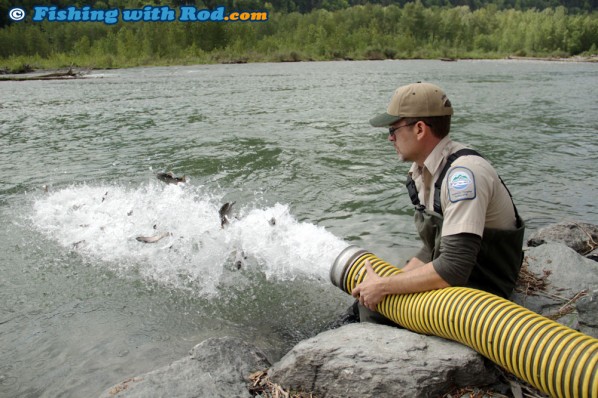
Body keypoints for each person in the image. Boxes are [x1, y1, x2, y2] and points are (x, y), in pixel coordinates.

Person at [352, 82, 525, 326]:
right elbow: (434, 247)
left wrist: (384, 286)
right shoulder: (426, 171)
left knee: (376, 311)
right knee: (365, 302)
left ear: (420, 129)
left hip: (483, 293)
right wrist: (392, 281)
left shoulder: (463, 176)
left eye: (393, 129)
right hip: (460, 282)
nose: (390, 138)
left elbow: (454, 266)